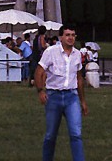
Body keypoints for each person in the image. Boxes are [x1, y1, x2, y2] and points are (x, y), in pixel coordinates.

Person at [35, 25, 88, 161]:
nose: (70, 38)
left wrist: (82, 101)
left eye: (73, 35)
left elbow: (79, 78)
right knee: (50, 135)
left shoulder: (77, 54)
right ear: (61, 37)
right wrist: (41, 91)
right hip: (54, 96)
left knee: (76, 133)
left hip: (72, 97)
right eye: (67, 35)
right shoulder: (51, 52)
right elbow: (39, 71)